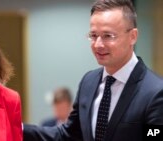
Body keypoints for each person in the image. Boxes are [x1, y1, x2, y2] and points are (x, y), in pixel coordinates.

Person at [23, 0, 163, 141]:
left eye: (108, 36)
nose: (98, 44)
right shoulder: (88, 82)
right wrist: (17, 128)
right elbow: (69, 135)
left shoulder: (156, 92)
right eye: (94, 35)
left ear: (133, 36)